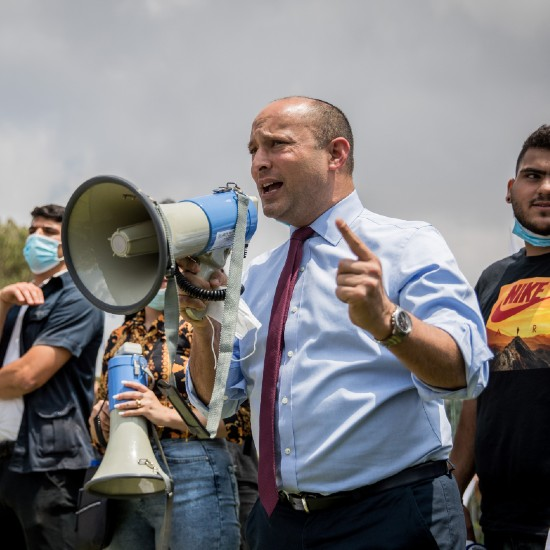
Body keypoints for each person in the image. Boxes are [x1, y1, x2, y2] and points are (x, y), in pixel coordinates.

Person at [177, 96, 492, 549]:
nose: (258, 164)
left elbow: (465, 370)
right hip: (278, 524)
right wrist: (206, 319)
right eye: (252, 151)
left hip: (394, 516)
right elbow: (213, 405)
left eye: (276, 145)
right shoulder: (260, 274)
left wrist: (386, 321)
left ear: (336, 154)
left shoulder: (408, 245)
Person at [90, 277, 250, 549]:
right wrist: (102, 421)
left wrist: (163, 415)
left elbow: (238, 421)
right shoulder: (118, 335)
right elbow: (97, 421)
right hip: (128, 479)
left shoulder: (204, 325)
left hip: (194, 471)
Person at [451, 124, 550, 549]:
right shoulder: (493, 280)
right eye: (533, 176)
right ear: (511, 189)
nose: (545, 188)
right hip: (500, 520)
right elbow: (475, 399)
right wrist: (452, 494)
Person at [0, 203, 105, 550]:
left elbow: (27, 375)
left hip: (47, 466)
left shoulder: (80, 297)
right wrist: (1, 304)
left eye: (48, 232)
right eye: (32, 231)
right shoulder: (16, 301)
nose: (35, 239)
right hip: (7, 460)